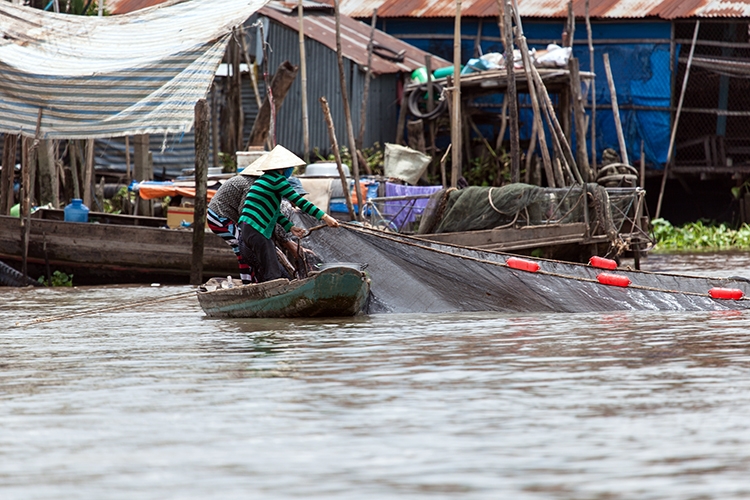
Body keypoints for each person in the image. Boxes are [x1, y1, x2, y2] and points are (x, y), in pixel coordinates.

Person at [238, 145, 339, 282]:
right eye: (291, 167)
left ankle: (266, 293)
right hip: (256, 228)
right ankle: (274, 297)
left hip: (247, 228)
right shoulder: (277, 180)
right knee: (272, 271)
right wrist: (325, 217)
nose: (291, 170)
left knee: (266, 266)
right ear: (283, 168)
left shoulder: (264, 180)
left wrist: (291, 227)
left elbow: (275, 212)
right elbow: (299, 201)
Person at [206, 157, 310, 284]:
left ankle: (256, 281)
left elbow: (272, 215)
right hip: (220, 216)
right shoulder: (253, 185)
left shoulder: (263, 186)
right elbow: (245, 212)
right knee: (243, 249)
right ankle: (248, 284)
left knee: (256, 250)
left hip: (232, 218)